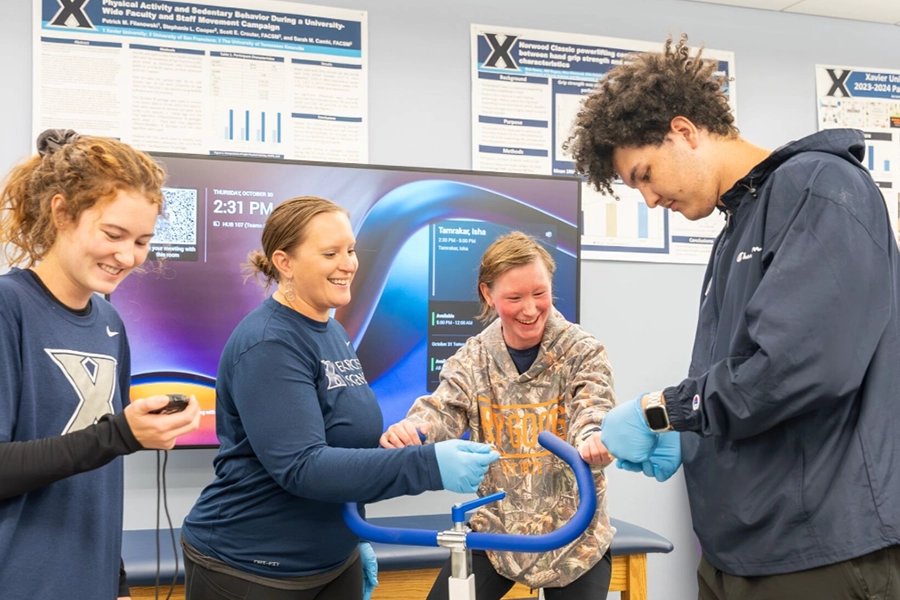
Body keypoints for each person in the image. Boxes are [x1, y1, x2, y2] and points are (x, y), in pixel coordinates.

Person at [566, 34, 900, 599]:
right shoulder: (738, 226)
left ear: (684, 131)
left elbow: (797, 368)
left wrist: (663, 411)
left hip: (817, 548)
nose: (648, 200)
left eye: (645, 175)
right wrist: (690, 432)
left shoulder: (819, 188)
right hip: (736, 549)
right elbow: (737, 373)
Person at [180, 195, 500, 600]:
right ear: (285, 263)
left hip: (332, 561)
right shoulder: (268, 344)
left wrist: (354, 532)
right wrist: (428, 466)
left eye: (350, 250)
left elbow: (344, 442)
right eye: (331, 253)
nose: (348, 263)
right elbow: (303, 466)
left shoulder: (331, 331)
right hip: (252, 568)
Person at [0, 129, 202, 600]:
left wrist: (117, 582)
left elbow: (95, 477)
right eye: (113, 235)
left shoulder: (109, 322)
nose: (127, 256)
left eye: (142, 241)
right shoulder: (9, 309)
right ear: (62, 212)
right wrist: (121, 435)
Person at [382, 231, 618, 600]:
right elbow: (442, 408)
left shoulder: (583, 352)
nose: (530, 309)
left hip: (574, 538)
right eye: (514, 297)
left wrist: (594, 440)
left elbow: (593, 409)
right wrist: (412, 429)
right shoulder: (473, 358)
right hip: (497, 534)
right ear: (487, 295)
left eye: (540, 293)